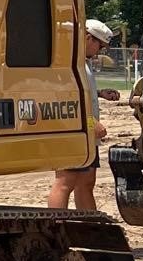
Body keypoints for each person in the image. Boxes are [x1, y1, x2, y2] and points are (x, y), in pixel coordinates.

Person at [48, 18, 118, 211]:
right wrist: (91, 122)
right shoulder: (68, 61)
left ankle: (90, 226)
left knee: (86, 182)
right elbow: (67, 99)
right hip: (72, 132)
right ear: (88, 38)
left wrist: (99, 93)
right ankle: (56, 227)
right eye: (100, 46)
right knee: (65, 182)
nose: (100, 52)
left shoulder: (82, 63)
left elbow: (80, 92)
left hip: (85, 134)